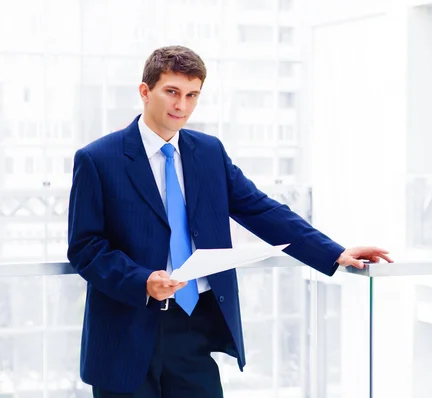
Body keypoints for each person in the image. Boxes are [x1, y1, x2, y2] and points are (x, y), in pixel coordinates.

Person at [67, 45, 392, 398]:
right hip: (126, 329)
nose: (182, 106)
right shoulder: (98, 159)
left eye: (192, 95)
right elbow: (86, 247)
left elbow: (259, 209)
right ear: (145, 91)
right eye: (172, 92)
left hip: (194, 325)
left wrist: (333, 252)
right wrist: (142, 280)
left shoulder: (208, 152)